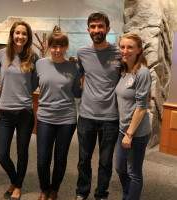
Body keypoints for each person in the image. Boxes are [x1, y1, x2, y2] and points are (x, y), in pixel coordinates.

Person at [75, 12, 121, 200]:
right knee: (83, 159)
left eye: (100, 26)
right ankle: (82, 192)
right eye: (93, 27)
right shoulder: (82, 53)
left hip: (110, 117)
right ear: (88, 30)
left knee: (105, 161)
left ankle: (101, 193)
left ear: (107, 29)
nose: (96, 30)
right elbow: (76, 76)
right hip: (86, 115)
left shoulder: (119, 53)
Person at [0, 21, 39, 200]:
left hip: (25, 113)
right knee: (1, 155)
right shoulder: (0, 55)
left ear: (28, 37)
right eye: (17, 33)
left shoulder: (33, 57)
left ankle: (18, 187)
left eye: (24, 34)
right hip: (4, 113)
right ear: (12, 34)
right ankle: (14, 180)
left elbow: (34, 83)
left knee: (22, 152)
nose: (20, 36)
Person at [36, 29, 81, 200]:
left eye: (61, 46)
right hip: (45, 117)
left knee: (60, 158)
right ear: (49, 47)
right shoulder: (40, 64)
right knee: (42, 159)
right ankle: (44, 189)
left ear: (66, 47)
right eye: (54, 46)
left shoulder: (74, 66)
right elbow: (29, 82)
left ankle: (54, 190)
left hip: (67, 119)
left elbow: (77, 92)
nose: (57, 50)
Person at [115, 33, 151, 200]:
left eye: (130, 47)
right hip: (123, 129)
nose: (125, 50)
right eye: (122, 47)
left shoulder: (142, 73)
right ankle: (128, 195)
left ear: (139, 50)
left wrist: (129, 134)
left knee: (133, 172)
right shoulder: (125, 71)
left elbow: (141, 107)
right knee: (120, 168)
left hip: (136, 132)